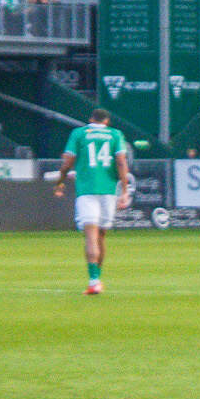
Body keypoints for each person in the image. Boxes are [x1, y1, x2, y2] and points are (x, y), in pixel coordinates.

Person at [54, 109, 131, 294]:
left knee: (90, 236)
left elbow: (67, 162)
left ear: (90, 120)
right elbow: (121, 161)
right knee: (101, 236)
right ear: (107, 121)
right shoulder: (115, 134)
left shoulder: (79, 133)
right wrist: (125, 190)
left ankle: (94, 280)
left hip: (87, 190)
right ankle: (98, 279)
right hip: (109, 191)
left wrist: (60, 182)